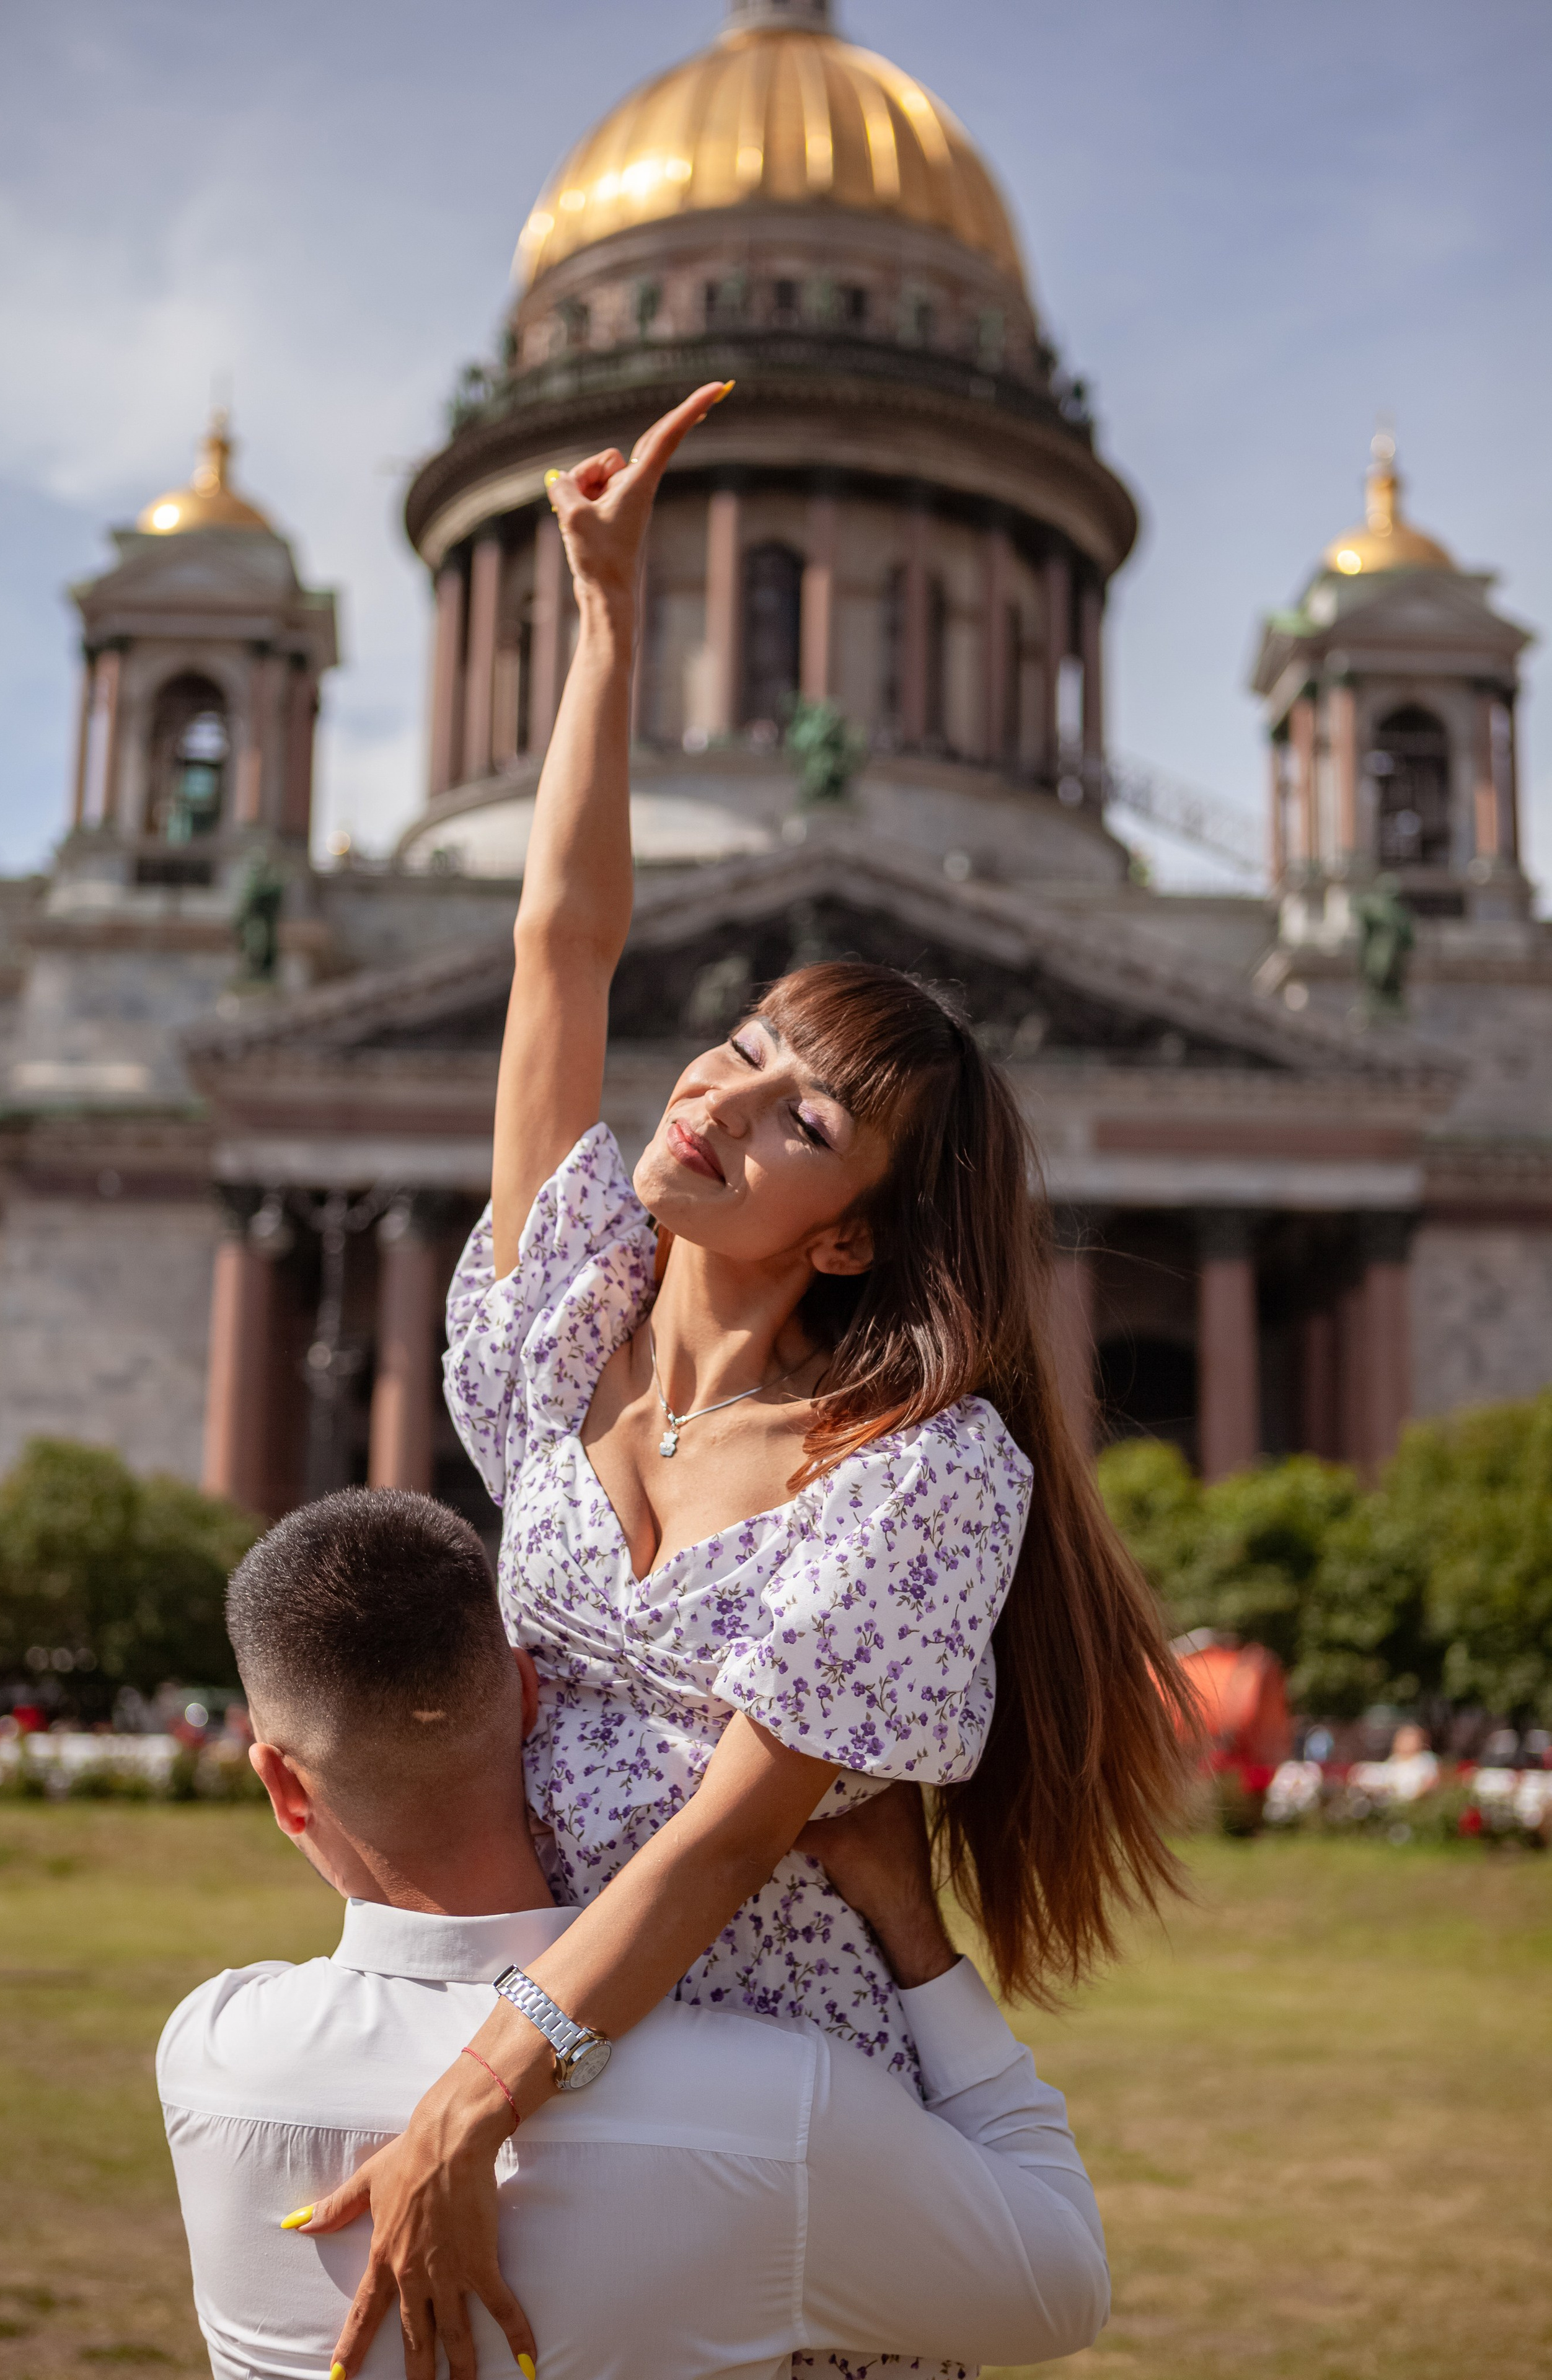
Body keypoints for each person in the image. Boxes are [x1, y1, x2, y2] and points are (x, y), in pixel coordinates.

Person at [311, 383, 1189, 2378]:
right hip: (523, 2011)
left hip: (752, 2068)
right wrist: (611, 619)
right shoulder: (561, 1328)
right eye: (735, 1052)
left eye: (804, 1120)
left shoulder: (917, 1470)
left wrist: (482, 2092)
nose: (715, 1102)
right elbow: (561, 945)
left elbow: (728, 1839)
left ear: (858, 1229)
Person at [159, 1488, 1110, 2379]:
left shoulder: (209, 2054)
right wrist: (916, 1933)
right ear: (533, 1700)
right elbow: (1061, 2285)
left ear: (282, 1786)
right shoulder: (774, 2108)